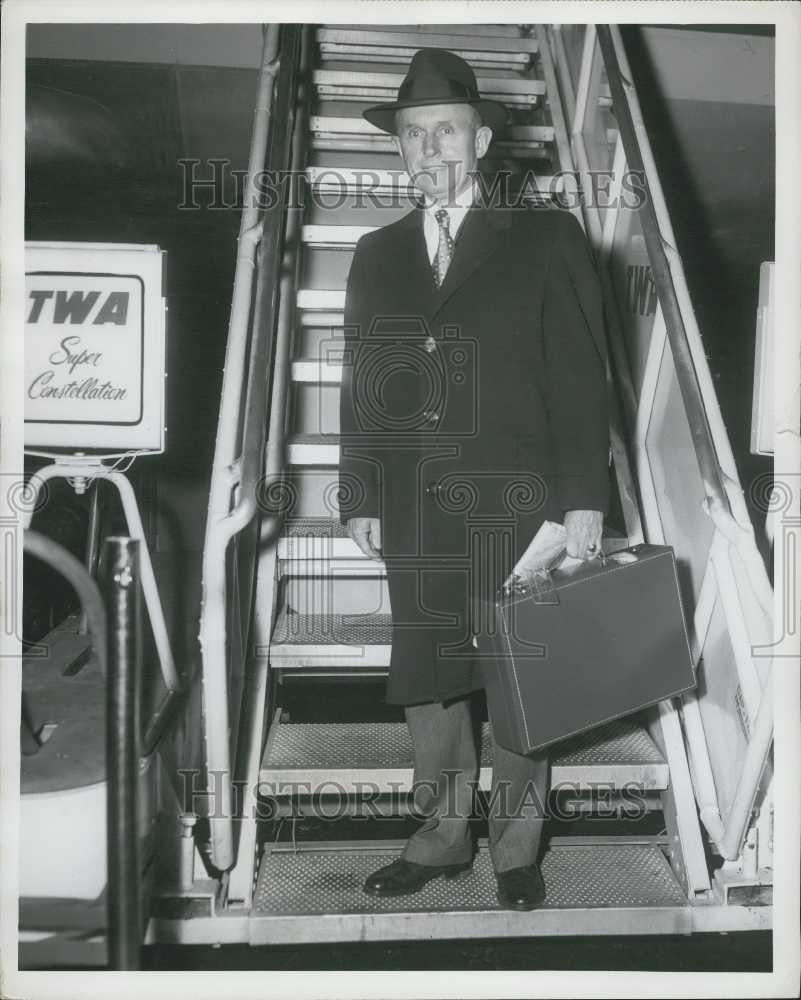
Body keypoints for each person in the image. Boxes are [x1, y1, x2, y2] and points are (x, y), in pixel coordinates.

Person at [338, 48, 609, 910]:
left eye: (444, 130)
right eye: (413, 136)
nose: (428, 148)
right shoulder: (375, 253)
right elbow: (361, 382)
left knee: (521, 678)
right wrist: (360, 493)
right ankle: (441, 838)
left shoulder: (544, 236)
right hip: (417, 501)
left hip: (521, 501)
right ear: (400, 151)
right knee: (431, 682)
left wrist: (583, 501)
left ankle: (517, 850)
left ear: (481, 139)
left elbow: (579, 374)